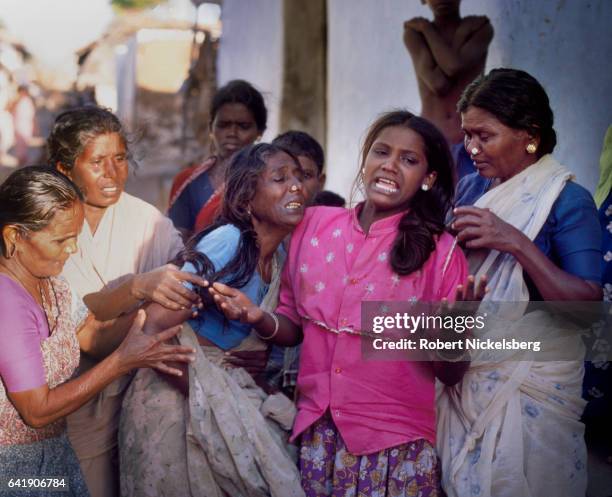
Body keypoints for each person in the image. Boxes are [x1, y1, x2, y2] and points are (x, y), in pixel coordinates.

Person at [211, 110, 485, 496]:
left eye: (408, 160)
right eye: (381, 152)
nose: (390, 166)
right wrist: (258, 317)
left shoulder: (441, 254)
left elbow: (450, 374)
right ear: (365, 160)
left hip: (395, 443)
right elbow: (292, 326)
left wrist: (455, 333)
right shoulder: (314, 225)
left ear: (429, 178)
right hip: (319, 433)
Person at [439, 68, 602, 497]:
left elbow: (586, 304)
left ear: (529, 135)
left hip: (534, 389)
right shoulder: (472, 188)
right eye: (467, 136)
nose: (471, 148)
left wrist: (515, 241)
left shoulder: (569, 200)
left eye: (484, 136)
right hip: (464, 376)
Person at [120, 143, 308, 497]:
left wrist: (253, 333)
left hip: (220, 388)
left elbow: (291, 329)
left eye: (299, 178)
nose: (295, 186)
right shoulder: (230, 241)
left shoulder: (281, 257)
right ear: (246, 200)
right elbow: (154, 329)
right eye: (280, 178)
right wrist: (214, 398)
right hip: (176, 400)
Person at [0, 166, 195, 496]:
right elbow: (36, 410)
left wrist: (147, 322)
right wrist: (122, 362)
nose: (72, 250)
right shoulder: (7, 302)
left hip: (55, 456)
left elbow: (89, 333)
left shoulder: (53, 285)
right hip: (14, 474)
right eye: (61, 240)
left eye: (75, 237)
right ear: (14, 237)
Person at [47, 106, 206, 497]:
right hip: (78, 396)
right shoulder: (49, 227)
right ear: (65, 169)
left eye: (119, 159)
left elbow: (186, 295)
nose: (112, 173)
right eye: (97, 162)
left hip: (146, 390)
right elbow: (89, 338)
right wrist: (139, 289)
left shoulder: (148, 223)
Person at [403, 0, 493, 178]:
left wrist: (427, 29)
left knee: (470, 199)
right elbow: (439, 84)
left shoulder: (482, 28)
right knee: (432, 201)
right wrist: (429, 29)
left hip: (471, 138)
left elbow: (453, 67)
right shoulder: (415, 33)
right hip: (430, 139)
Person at [168, 79, 267, 235]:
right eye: (223, 125)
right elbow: (175, 241)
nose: (232, 133)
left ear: (260, 131)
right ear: (211, 128)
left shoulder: (267, 183)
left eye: (243, 126)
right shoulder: (187, 182)